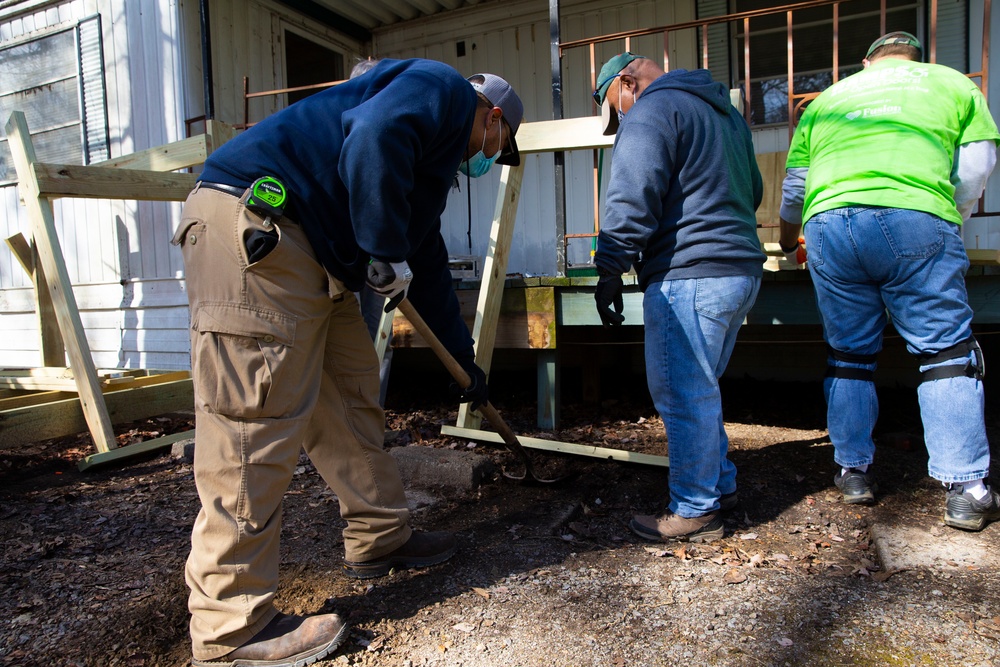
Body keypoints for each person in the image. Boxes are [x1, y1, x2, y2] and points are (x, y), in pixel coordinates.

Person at [172, 59, 523, 666]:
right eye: (500, 147)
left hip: (313, 256)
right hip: (259, 229)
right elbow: (375, 132)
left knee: (352, 394)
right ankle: (231, 626)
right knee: (254, 421)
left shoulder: (428, 162)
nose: (491, 161)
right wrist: (384, 248)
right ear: (493, 119)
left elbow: (428, 263)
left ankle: (380, 535)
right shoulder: (440, 89)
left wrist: (465, 365)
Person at [778, 31, 1000, 531]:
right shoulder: (952, 84)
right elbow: (977, 162)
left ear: (867, 62)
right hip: (915, 215)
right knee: (944, 352)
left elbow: (795, 189)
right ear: (916, 60)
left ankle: (852, 471)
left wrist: (790, 241)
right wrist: (951, 214)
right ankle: (967, 489)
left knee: (849, 353)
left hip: (829, 223)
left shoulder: (829, 98)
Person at [592, 53, 765, 543]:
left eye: (615, 106)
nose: (621, 117)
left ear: (627, 83)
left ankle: (695, 508)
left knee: (681, 392)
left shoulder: (651, 109)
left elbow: (631, 194)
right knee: (701, 388)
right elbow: (752, 190)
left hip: (689, 274)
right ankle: (720, 486)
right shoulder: (725, 114)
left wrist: (609, 269)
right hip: (740, 272)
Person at [348, 56, 394, 407]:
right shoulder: (345, 127)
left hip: (376, 256)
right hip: (342, 255)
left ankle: (369, 414)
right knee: (346, 331)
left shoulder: (387, 129)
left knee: (378, 332)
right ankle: (349, 411)